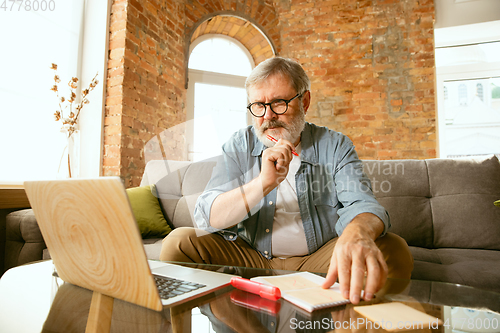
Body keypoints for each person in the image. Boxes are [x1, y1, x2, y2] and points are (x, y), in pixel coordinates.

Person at [160, 57, 413, 305]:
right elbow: (208, 215)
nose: (268, 116)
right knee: (178, 243)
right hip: (251, 256)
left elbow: (363, 204)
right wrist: (263, 184)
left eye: (279, 103)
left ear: (305, 101)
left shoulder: (335, 145)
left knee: (392, 249)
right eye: (258, 105)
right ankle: (230, 314)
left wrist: (357, 233)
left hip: (317, 259)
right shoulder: (239, 144)